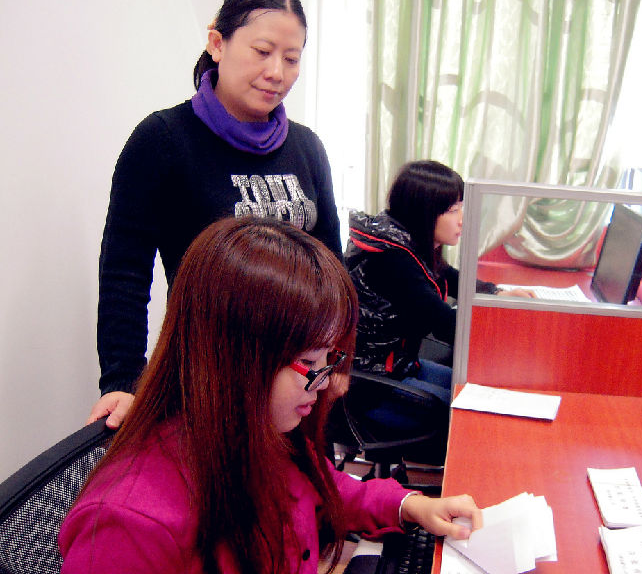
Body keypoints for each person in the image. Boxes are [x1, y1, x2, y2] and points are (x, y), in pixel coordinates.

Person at [59, 217, 483, 573]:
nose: (329, 383)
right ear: (232, 357)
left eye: (331, 359)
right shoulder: (129, 525)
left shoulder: (263, 432)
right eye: (311, 362)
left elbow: (325, 487)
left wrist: (410, 505)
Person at [89, 0, 342, 430]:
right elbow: (124, 273)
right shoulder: (163, 140)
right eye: (262, 51)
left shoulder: (307, 148)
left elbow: (332, 263)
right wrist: (123, 380)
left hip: (299, 388)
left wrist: (337, 358)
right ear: (217, 43)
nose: (277, 72)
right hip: (207, 383)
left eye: (291, 58)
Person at [344, 160, 533, 406]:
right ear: (424, 211)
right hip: (374, 383)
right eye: (453, 210)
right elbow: (444, 323)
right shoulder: (392, 260)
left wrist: (495, 293)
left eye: (461, 207)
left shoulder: (407, 240)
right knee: (461, 406)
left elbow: (447, 276)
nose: (462, 219)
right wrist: (511, 339)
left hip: (402, 364)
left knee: (470, 385)